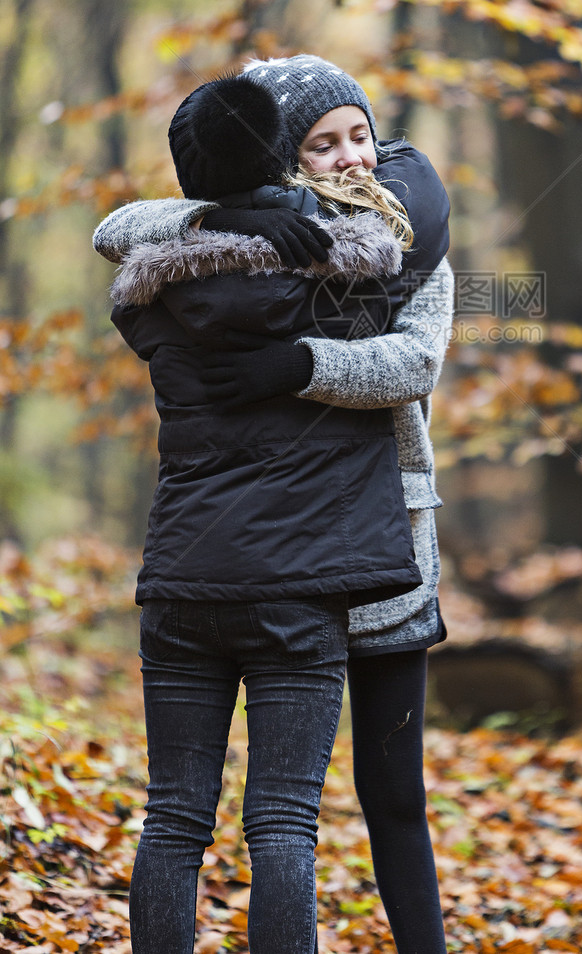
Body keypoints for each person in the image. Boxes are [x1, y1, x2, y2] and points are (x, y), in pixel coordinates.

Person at [98, 55, 454, 954]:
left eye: (360, 136)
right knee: (281, 816)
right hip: (304, 561)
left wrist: (302, 365)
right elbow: (117, 223)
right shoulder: (230, 240)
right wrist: (246, 219)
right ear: (283, 162)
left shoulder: (408, 240)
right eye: (323, 144)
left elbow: (417, 363)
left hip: (387, 534)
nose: (352, 158)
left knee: (393, 793)